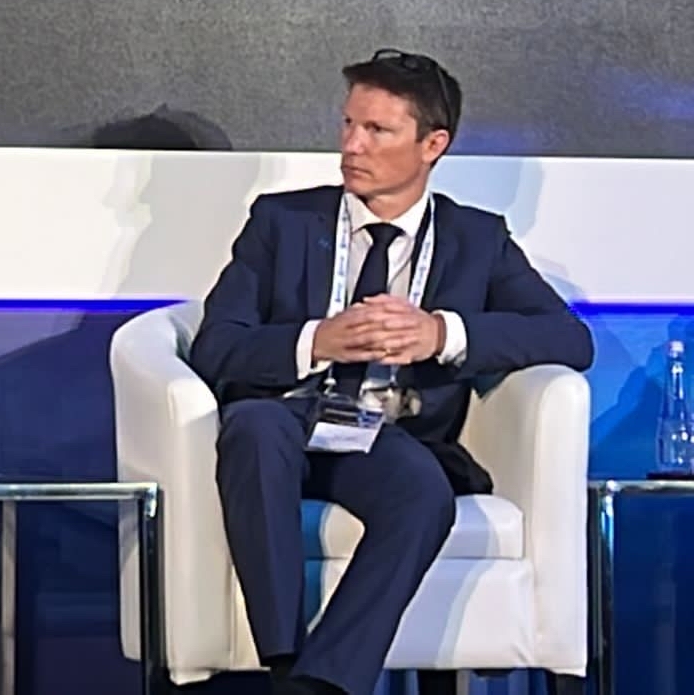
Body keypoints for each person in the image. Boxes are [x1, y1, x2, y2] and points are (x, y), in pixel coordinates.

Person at [187, 49, 594, 695]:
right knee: (255, 429)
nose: (352, 146)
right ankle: (284, 660)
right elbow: (216, 349)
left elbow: (569, 338)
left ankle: (319, 684)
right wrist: (317, 340)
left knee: (424, 492)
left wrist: (441, 333)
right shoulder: (280, 222)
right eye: (348, 124)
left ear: (433, 144)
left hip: (381, 433)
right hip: (283, 417)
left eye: (377, 130)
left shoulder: (476, 239)